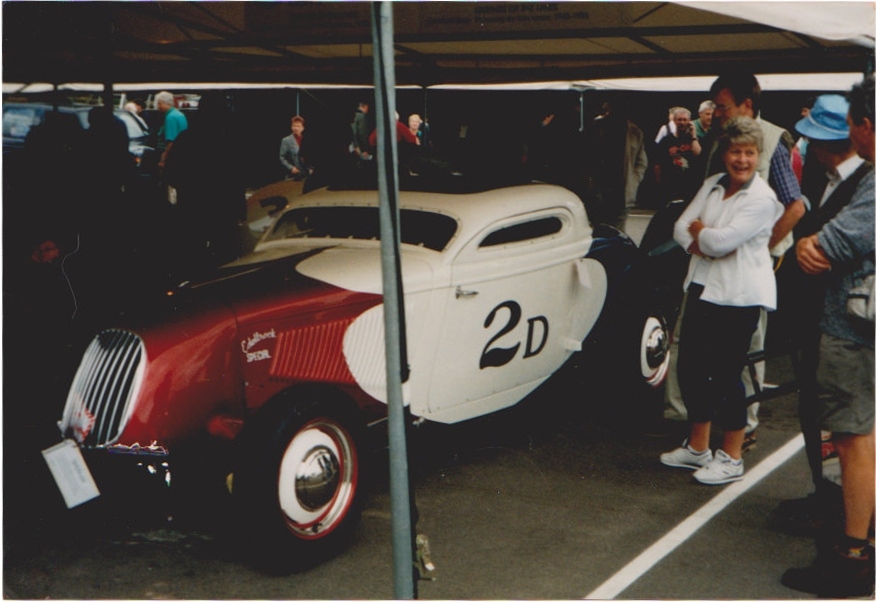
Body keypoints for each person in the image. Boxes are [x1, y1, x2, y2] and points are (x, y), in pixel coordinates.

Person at [663, 73, 806, 447]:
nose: (716, 112)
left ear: (747, 104)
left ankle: (744, 429)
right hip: (708, 268)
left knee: (739, 355)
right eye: (714, 106)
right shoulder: (718, 139)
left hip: (744, 273)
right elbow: (686, 225)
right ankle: (693, 428)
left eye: (722, 106)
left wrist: (762, 248)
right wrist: (702, 243)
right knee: (694, 352)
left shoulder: (771, 140)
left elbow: (794, 206)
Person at [781, 75, 875, 599]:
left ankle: (854, 555)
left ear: (864, 127)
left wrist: (811, 243)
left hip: (852, 327)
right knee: (858, 437)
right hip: (852, 324)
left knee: (853, 439)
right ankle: (854, 538)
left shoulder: (871, 183)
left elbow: (829, 243)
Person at [659, 117, 784, 485]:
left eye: (749, 153)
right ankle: (698, 448)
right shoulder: (713, 184)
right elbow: (680, 227)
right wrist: (703, 241)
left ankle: (731, 457)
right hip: (702, 286)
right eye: (735, 152)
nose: (741, 160)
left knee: (727, 375)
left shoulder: (763, 199)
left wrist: (703, 235)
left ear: (758, 156)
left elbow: (721, 242)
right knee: (691, 369)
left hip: (739, 295)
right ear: (725, 154)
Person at [580, 99, 648, 230]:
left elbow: (641, 161)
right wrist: (589, 183)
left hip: (622, 192)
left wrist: (634, 181)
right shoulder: (595, 128)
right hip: (599, 191)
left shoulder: (634, 131)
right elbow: (585, 159)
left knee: (617, 231)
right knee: (598, 229)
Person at [653, 107, 702, 205]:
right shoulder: (666, 141)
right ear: (674, 121)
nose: (682, 123)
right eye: (679, 120)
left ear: (689, 121)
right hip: (671, 185)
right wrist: (660, 184)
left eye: (685, 120)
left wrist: (693, 135)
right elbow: (657, 164)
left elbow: (697, 153)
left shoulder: (694, 140)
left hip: (689, 185)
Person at [155, 91, 188, 172]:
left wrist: (163, 159)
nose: (158, 107)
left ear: (166, 103)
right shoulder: (180, 114)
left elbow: (170, 141)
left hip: (172, 156)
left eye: (159, 104)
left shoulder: (170, 118)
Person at [279, 115, 313, 180]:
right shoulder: (286, 140)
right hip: (293, 176)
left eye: (298, 126)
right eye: (294, 126)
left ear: (303, 128)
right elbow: (282, 158)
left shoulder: (307, 140)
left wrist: (311, 168)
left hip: (306, 175)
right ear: (291, 127)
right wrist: (291, 168)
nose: (296, 128)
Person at [350, 100, 372, 165]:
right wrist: (365, 149)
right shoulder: (362, 117)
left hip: (353, 146)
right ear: (365, 106)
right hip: (360, 149)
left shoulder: (354, 116)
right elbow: (362, 134)